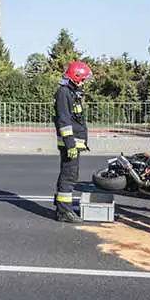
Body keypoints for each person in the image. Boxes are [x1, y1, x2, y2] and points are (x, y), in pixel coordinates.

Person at [52, 60, 92, 223]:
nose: (84, 82)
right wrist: (70, 144)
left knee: (70, 175)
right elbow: (64, 120)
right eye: (83, 79)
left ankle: (63, 207)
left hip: (74, 143)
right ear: (75, 77)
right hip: (70, 144)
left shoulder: (72, 93)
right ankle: (64, 212)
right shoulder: (64, 93)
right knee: (69, 176)